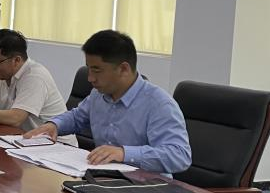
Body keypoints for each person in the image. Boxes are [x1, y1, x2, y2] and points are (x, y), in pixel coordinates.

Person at [24, 30, 191, 175]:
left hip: (148, 188)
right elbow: (77, 117)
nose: (90, 78)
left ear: (124, 69)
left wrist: (124, 153)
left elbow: (179, 155)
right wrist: (55, 125)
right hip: (103, 179)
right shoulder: (98, 95)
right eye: (89, 69)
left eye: (97, 70)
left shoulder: (159, 104)